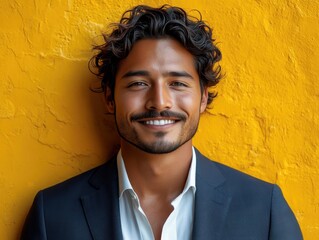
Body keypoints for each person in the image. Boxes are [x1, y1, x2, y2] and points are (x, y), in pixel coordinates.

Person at [21, 5, 302, 240]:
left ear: (203, 98)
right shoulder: (53, 214)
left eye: (178, 83)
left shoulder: (265, 210)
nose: (159, 101)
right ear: (109, 98)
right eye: (139, 83)